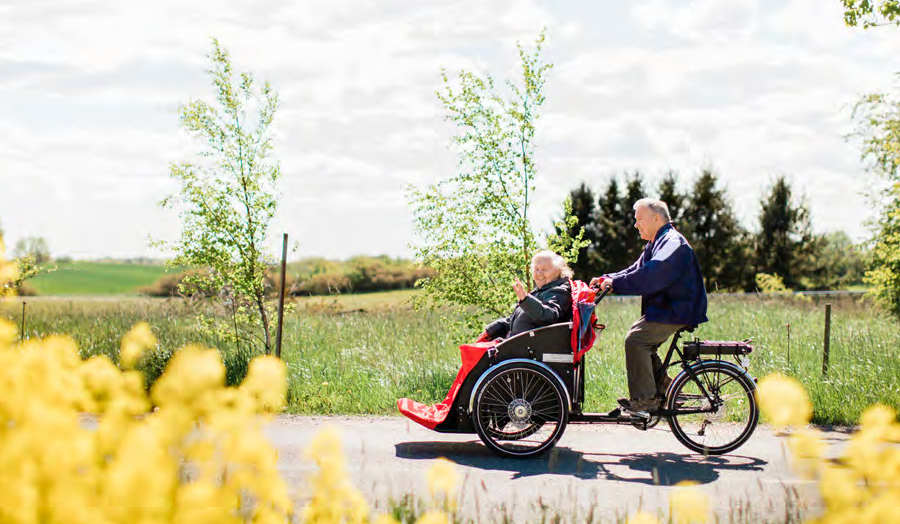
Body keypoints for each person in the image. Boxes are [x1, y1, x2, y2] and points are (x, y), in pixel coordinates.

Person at [590, 198, 708, 416]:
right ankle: (663, 387)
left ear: (656, 218)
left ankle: (645, 401)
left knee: (636, 341)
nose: (636, 225)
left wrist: (614, 284)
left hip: (678, 309)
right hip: (667, 308)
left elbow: (650, 275)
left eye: (639, 219)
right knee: (640, 339)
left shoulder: (672, 242)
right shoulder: (657, 242)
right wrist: (608, 279)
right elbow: (634, 270)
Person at [482, 250, 573, 340]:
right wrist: (490, 330)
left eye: (544, 269)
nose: (539, 273)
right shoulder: (541, 291)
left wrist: (526, 299)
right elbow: (516, 320)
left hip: (534, 349)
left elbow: (548, 317)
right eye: (536, 269)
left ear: (557, 272)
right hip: (522, 347)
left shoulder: (560, 292)